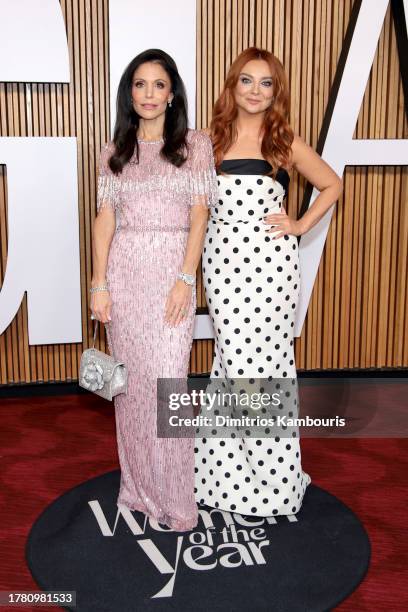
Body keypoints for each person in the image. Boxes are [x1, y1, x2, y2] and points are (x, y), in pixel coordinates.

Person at [194, 47, 343, 516]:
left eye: (266, 83)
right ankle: (221, 479)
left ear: (276, 92)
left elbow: (333, 184)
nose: (256, 91)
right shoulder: (208, 141)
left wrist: (298, 225)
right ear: (232, 86)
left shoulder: (284, 141)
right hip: (222, 266)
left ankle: (273, 483)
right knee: (232, 362)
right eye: (247, 81)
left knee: (265, 364)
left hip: (271, 268)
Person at [90, 49, 218, 531]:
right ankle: (140, 489)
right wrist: (98, 284)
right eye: (139, 85)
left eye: (158, 85)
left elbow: (199, 214)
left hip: (170, 275)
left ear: (172, 93)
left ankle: (176, 500)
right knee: (133, 391)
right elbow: (105, 219)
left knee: (169, 386)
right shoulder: (113, 151)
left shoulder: (194, 145)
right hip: (124, 275)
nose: (148, 94)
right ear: (130, 93)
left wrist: (187, 278)